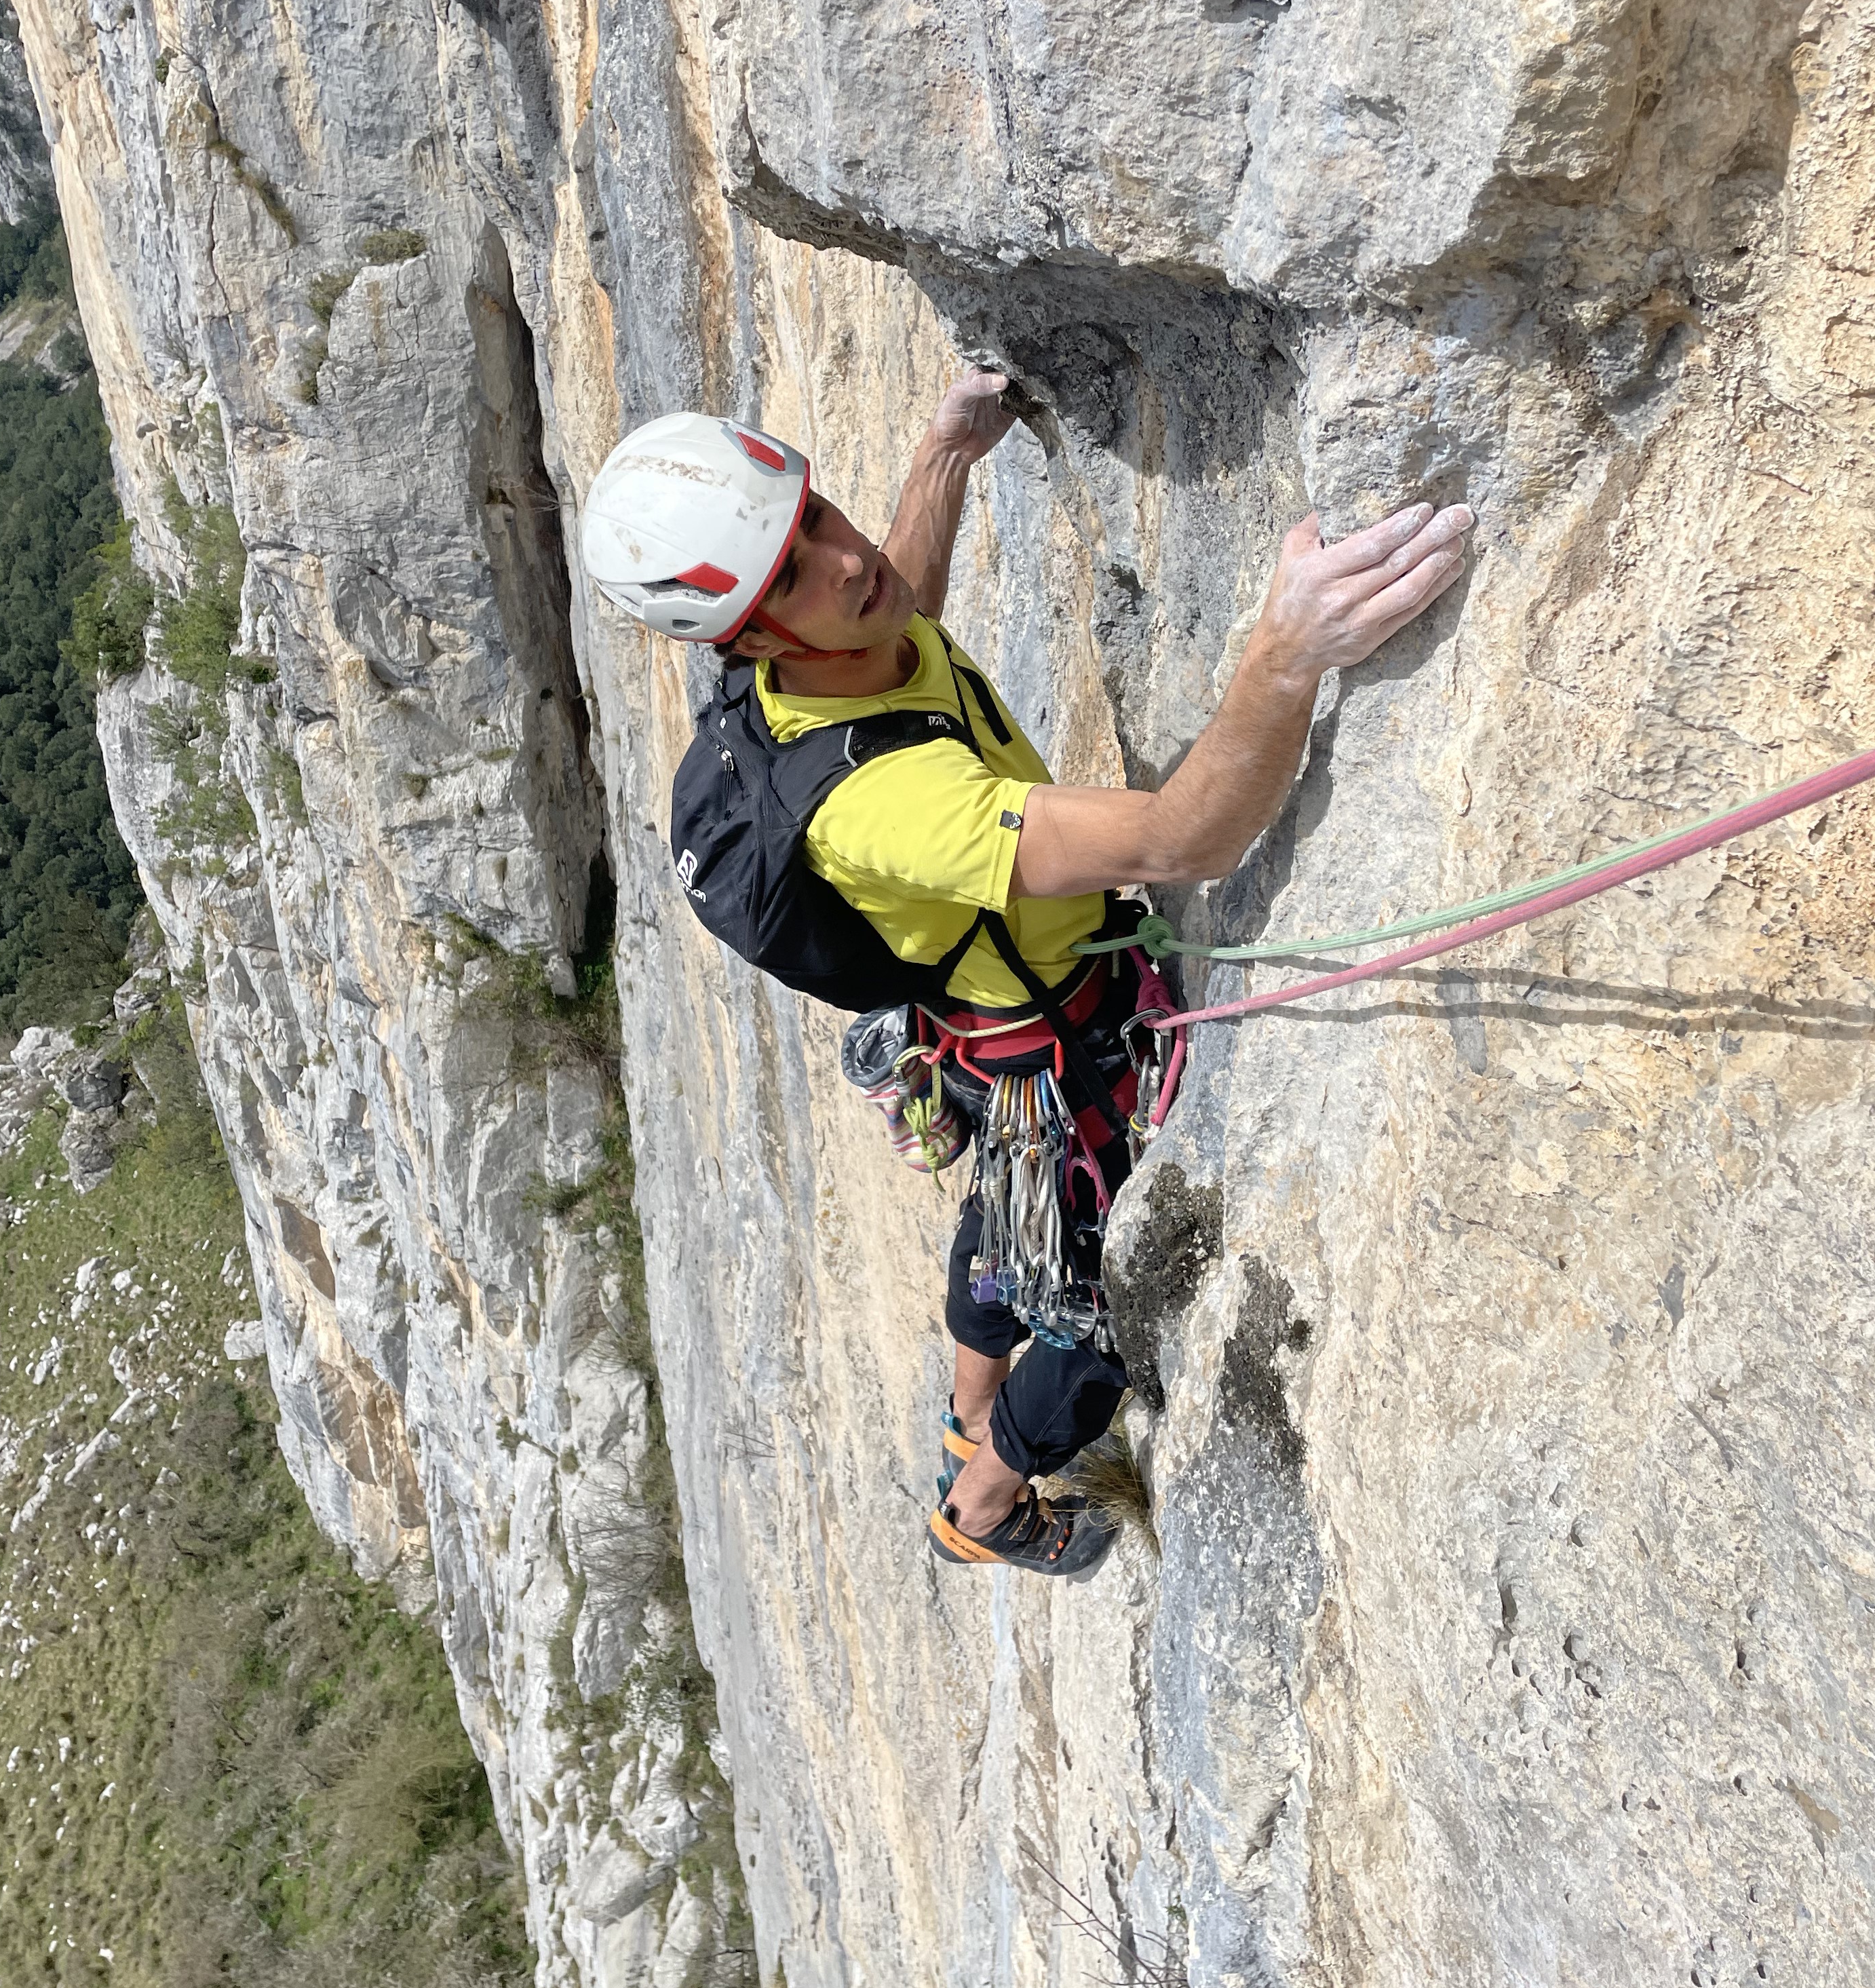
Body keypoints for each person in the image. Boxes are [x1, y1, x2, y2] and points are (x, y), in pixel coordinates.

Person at [582, 372, 1473, 1576]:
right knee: (1097, 1313)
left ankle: (966, 1411)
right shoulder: (881, 806)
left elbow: (900, 602)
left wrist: (944, 457)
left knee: (1008, 1226)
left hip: (992, 1043)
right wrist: (1287, 654)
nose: (846, 562)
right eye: (791, 575)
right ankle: (987, 1502)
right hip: (1060, 1048)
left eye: (819, 518)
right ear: (743, 639)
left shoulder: (834, 650)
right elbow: (1182, 841)